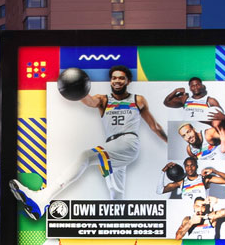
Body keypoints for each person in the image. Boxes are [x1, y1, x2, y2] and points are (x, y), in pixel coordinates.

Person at [36, 65, 167, 209]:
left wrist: (171, 143)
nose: (117, 81)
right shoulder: (104, 100)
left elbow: (155, 126)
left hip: (128, 142)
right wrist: (78, 88)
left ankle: (44, 196)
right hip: (113, 147)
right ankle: (119, 222)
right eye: (114, 78)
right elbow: (89, 101)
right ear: (110, 81)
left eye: (121, 78)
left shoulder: (138, 100)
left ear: (128, 81)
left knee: (85, 156)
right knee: (116, 195)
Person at [161, 157, 225, 200]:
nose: (189, 168)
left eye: (192, 165)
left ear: (196, 167)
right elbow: (160, 191)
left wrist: (215, 171)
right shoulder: (181, 182)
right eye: (187, 166)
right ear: (184, 168)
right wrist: (163, 171)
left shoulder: (204, 179)